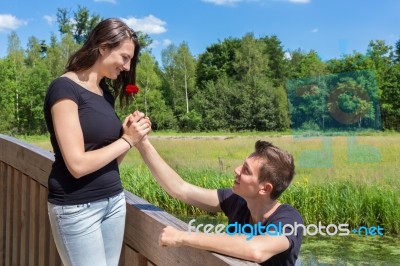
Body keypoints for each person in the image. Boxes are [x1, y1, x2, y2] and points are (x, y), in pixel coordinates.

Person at [43, 18, 151, 266]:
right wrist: (127, 140)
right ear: (103, 47)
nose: (126, 66)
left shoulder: (105, 94)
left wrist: (127, 135)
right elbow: (77, 165)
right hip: (76, 208)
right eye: (124, 57)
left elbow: (112, 161)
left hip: (113, 201)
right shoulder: (64, 89)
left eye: (130, 61)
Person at [135, 138, 304, 265]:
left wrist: (181, 237)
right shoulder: (236, 200)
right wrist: (143, 144)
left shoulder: (289, 220)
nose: (236, 170)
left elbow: (256, 249)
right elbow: (181, 189)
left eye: (246, 170)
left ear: (265, 189)